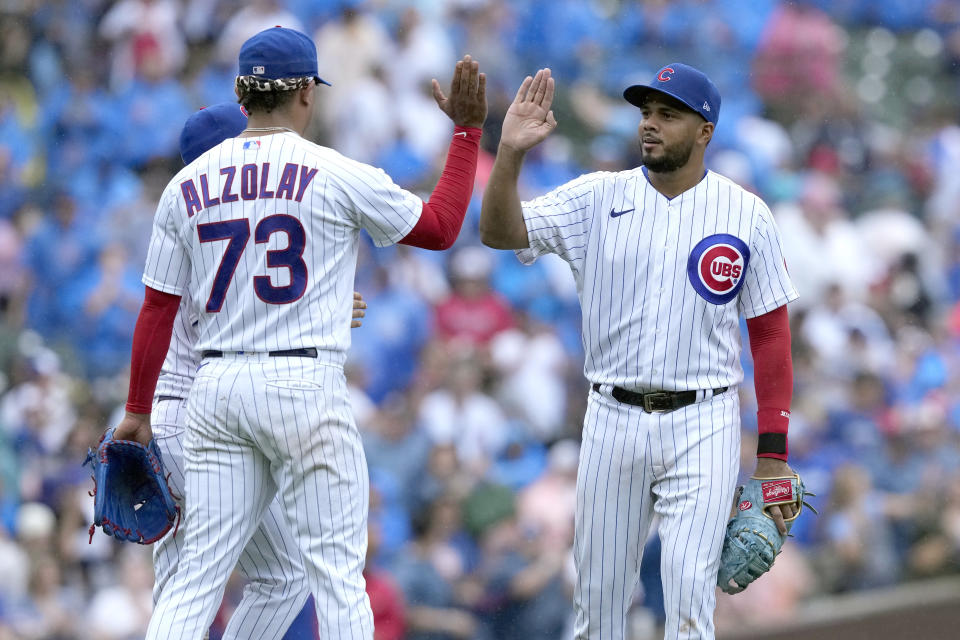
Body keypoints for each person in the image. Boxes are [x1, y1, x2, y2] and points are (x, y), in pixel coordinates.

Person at [113, 26, 486, 639]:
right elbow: (442, 228)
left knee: (197, 576)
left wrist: (135, 408)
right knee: (336, 573)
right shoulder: (334, 170)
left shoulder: (185, 186)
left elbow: (156, 310)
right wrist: (468, 133)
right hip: (301, 381)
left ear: (241, 95)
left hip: (215, 385)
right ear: (307, 94)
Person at [480, 63, 798, 639]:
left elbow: (771, 336)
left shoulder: (746, 213)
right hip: (611, 415)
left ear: (705, 130)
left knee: (687, 597)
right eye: (646, 112)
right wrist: (510, 154)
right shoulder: (598, 196)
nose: (649, 124)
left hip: (705, 418)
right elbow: (500, 232)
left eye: (667, 114)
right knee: (597, 600)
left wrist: (773, 452)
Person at [145, 101, 368, 640]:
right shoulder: (223, 223)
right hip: (207, 411)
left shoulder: (188, 218)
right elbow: (258, 305)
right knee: (285, 576)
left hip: (174, 414)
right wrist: (323, 306)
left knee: (182, 581)